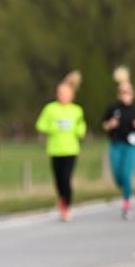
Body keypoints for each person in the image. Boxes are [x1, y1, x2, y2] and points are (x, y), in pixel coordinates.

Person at [35, 71, 86, 222]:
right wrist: (54, 127)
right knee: (58, 180)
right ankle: (62, 201)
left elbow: (81, 128)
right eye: (60, 93)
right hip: (55, 149)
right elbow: (40, 125)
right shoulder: (50, 109)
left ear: (71, 95)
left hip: (70, 149)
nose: (62, 96)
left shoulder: (76, 110)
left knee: (66, 178)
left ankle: (67, 206)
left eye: (65, 93)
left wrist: (78, 130)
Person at [100, 70, 135, 220]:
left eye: (127, 92)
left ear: (132, 93)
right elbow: (103, 125)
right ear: (118, 93)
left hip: (133, 146)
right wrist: (110, 124)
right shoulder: (113, 109)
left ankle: (127, 203)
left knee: (127, 174)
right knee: (118, 177)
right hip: (116, 144)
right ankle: (127, 190)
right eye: (122, 92)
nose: (124, 94)